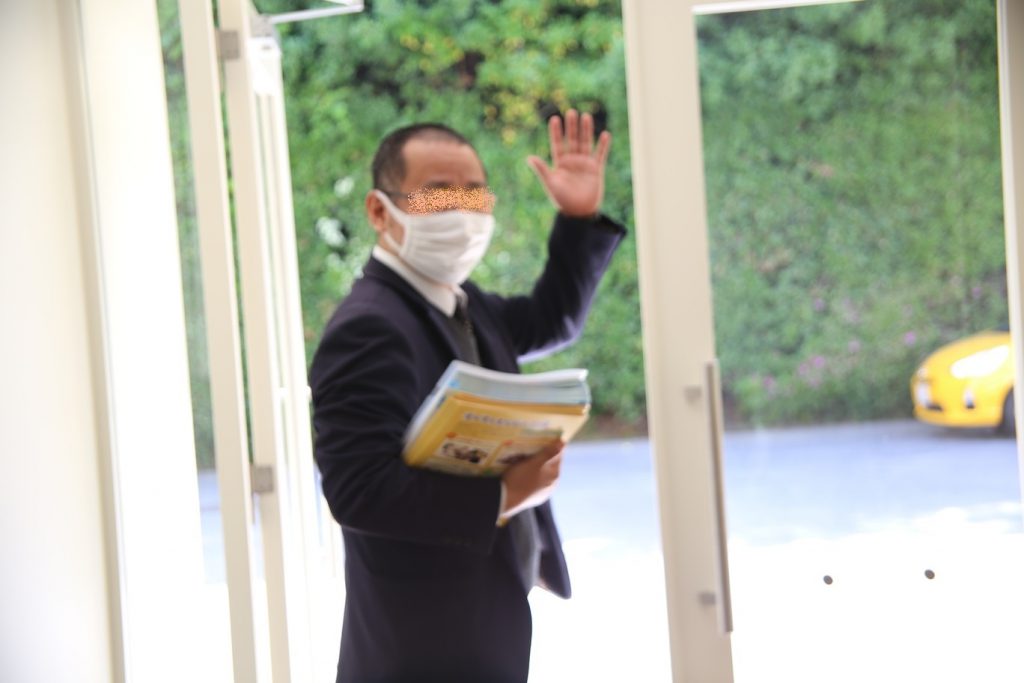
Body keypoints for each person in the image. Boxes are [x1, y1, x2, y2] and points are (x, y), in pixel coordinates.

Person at [309, 109, 625, 683]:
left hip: (477, 622)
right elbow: (358, 491)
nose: (461, 212)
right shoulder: (369, 326)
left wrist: (579, 217)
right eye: (438, 195)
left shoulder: (457, 299)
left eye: (475, 196)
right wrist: (504, 496)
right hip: (421, 646)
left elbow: (550, 319)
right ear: (380, 211)